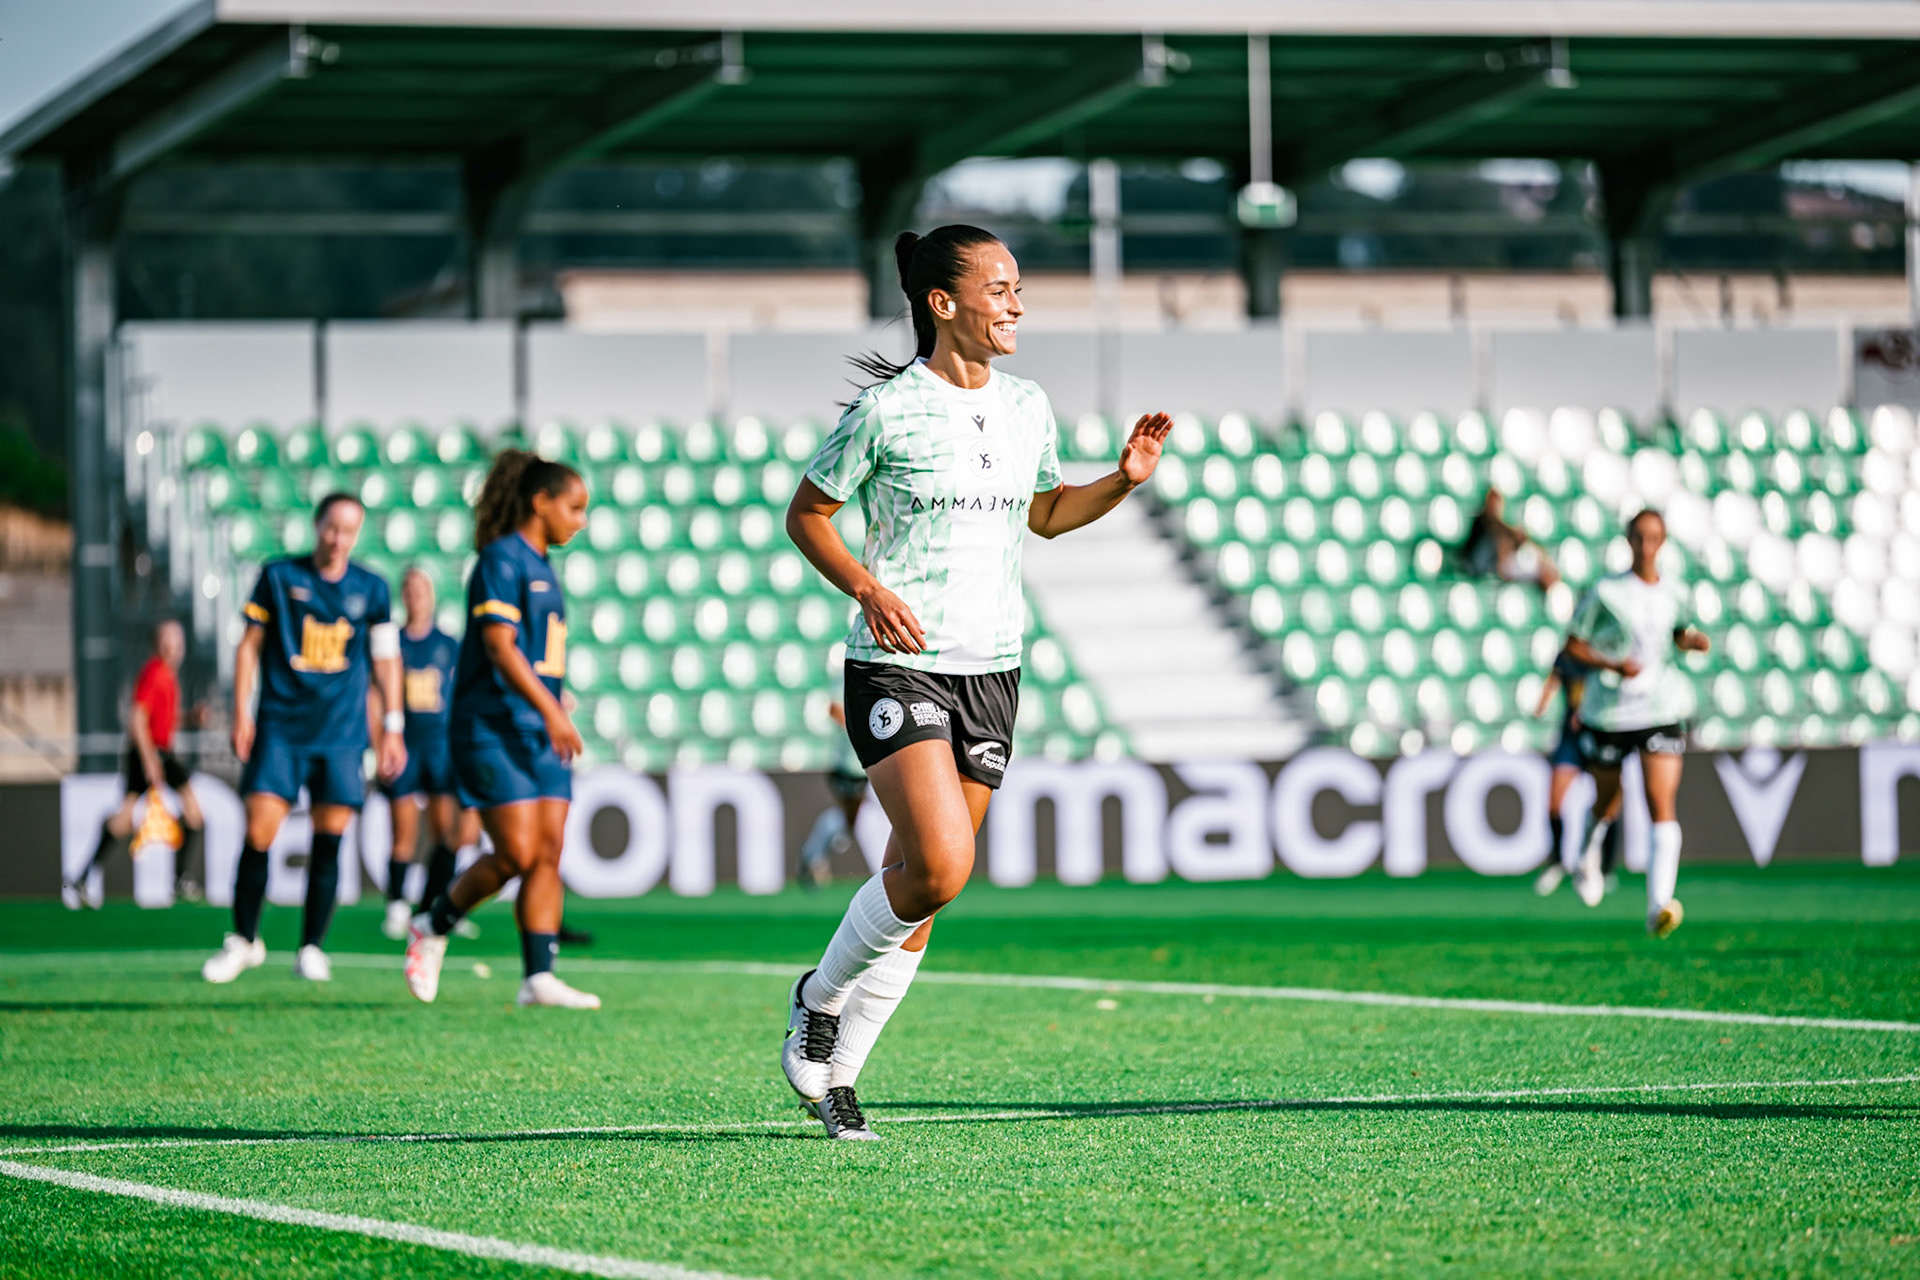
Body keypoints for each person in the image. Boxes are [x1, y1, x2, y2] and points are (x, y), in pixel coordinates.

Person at [779, 224, 1171, 1139]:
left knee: (922, 890)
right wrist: (869, 589)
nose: (1017, 303)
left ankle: (840, 1075)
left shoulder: (1029, 404)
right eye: (999, 288)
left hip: (994, 668)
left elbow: (1046, 516)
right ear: (942, 302)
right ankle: (816, 997)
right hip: (899, 661)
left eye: (1019, 287)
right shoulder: (885, 411)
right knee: (944, 863)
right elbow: (809, 517)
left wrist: (1122, 478)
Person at [403, 450, 600, 1010]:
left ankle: (538, 976)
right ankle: (433, 923)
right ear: (540, 503)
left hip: (537, 728)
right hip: (490, 726)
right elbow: (498, 645)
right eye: (574, 507)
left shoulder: (541, 565)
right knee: (514, 852)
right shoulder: (500, 560)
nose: (581, 520)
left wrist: (555, 704)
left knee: (547, 852)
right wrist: (552, 709)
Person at [202, 494, 406, 983]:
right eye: (332, 529)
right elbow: (249, 646)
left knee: (328, 841)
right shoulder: (278, 577)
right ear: (317, 526)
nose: (339, 540)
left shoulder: (372, 588)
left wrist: (392, 727)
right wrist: (242, 712)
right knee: (258, 832)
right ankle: (245, 940)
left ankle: (312, 947)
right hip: (281, 727)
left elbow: (385, 661)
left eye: (349, 532)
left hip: (340, 735)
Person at [1565, 509, 1711, 936]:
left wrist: (1691, 641)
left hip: (1660, 706)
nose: (1646, 546)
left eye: (1654, 538)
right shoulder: (1606, 592)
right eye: (1639, 538)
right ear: (1628, 541)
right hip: (1609, 710)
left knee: (1660, 800)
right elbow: (1573, 645)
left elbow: (1675, 632)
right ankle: (1587, 854)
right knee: (1608, 800)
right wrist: (1611, 662)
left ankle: (1658, 906)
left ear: (1662, 542)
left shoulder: (1676, 591)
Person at [64, 619, 206, 909]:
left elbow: (163, 716)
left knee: (124, 819)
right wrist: (150, 759)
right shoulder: (154, 673)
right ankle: (180, 879)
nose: (174, 648)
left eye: (178, 642)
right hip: (153, 753)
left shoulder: (167, 675)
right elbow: (138, 719)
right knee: (191, 813)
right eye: (168, 641)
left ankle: (80, 877)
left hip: (157, 752)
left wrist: (190, 717)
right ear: (159, 644)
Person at [375, 567, 481, 941]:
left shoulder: (447, 644)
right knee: (402, 831)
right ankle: (396, 905)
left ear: (432, 595)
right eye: (410, 588)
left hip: (440, 746)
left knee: (446, 833)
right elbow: (377, 694)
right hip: (405, 744)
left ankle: (442, 905)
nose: (416, 595)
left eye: (422, 588)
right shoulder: (393, 644)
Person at [1530, 640, 1621, 902]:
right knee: (1555, 801)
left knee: (1609, 802)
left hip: (1599, 732)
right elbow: (1553, 682)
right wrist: (1542, 703)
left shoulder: (1605, 653)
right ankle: (1557, 862)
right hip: (1571, 738)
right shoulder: (1566, 656)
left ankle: (1606, 867)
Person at [797, 701, 869, 890]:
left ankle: (813, 856)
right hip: (852, 770)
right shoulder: (847, 685)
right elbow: (833, 710)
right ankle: (813, 857)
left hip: (861, 769)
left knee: (854, 821)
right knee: (857, 819)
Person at [1462, 488, 1559, 591]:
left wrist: (1506, 541)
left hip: (1490, 563)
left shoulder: (1527, 579)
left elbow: (1503, 569)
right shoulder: (1538, 557)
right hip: (1482, 555)